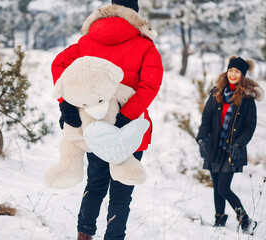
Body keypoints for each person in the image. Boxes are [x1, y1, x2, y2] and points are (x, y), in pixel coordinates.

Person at [51, 0, 163, 239]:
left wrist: (67, 104)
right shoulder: (145, 47)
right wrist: (126, 117)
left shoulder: (87, 42)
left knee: (95, 185)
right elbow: (149, 85)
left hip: (94, 129)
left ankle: (84, 234)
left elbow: (59, 64)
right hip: (128, 131)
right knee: (121, 195)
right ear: (135, 14)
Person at [196, 56, 263, 235]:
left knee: (223, 187)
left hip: (232, 150)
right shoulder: (216, 92)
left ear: (243, 75)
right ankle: (219, 220)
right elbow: (206, 121)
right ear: (227, 71)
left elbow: (250, 127)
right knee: (216, 185)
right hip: (215, 147)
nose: (233, 74)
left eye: (237, 72)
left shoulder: (247, 99)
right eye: (231, 70)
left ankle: (246, 220)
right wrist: (201, 139)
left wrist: (239, 144)